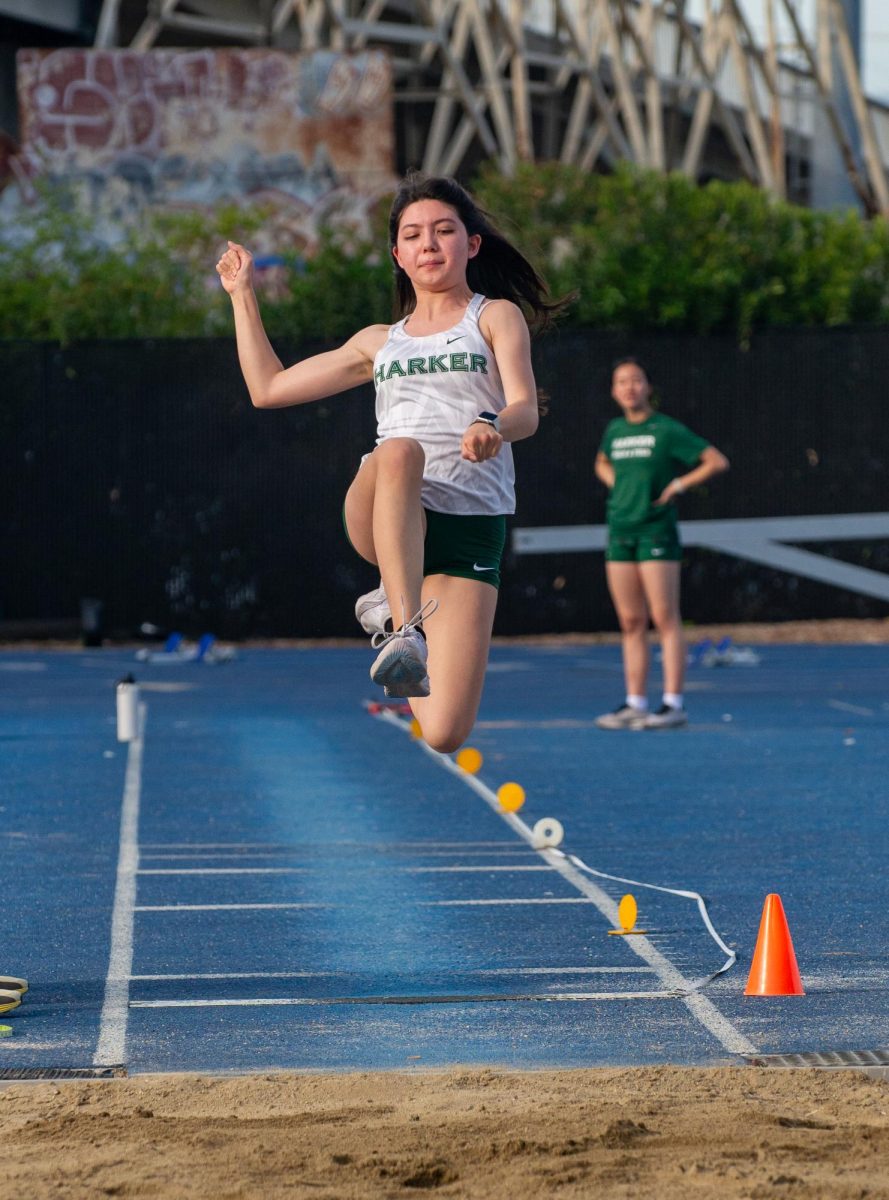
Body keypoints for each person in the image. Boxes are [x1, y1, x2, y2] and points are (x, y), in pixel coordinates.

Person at [216, 172, 566, 754]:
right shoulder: (380, 341)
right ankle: (402, 627)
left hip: (469, 532)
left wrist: (492, 426)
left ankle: (399, 620)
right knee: (400, 449)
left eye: (444, 230)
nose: (429, 243)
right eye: (413, 235)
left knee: (445, 734)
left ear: (471, 245)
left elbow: (525, 410)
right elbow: (268, 388)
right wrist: (243, 296)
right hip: (386, 505)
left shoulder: (493, 317)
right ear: (398, 255)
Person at [594, 357, 729, 730]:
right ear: (614, 390)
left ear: (648, 387)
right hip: (621, 530)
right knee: (630, 620)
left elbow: (715, 461)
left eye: (636, 380)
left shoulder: (666, 429)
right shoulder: (615, 430)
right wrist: (617, 485)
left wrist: (679, 485)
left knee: (665, 617)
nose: (629, 387)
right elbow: (602, 463)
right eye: (622, 382)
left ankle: (672, 704)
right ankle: (635, 702)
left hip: (656, 531)